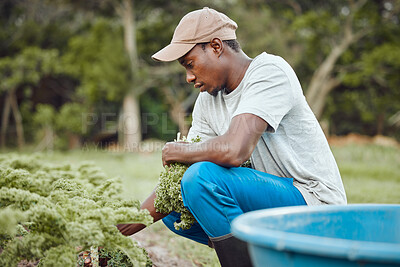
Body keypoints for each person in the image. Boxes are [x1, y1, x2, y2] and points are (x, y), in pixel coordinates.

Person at [117, 7, 347, 267]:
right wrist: (118, 228)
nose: (189, 77)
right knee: (174, 204)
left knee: (201, 179)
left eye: (190, 64)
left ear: (215, 46)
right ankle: (263, 260)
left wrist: (177, 150)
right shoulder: (207, 101)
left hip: (315, 208)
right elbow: (177, 179)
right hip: (273, 205)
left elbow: (235, 150)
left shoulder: (269, 71)